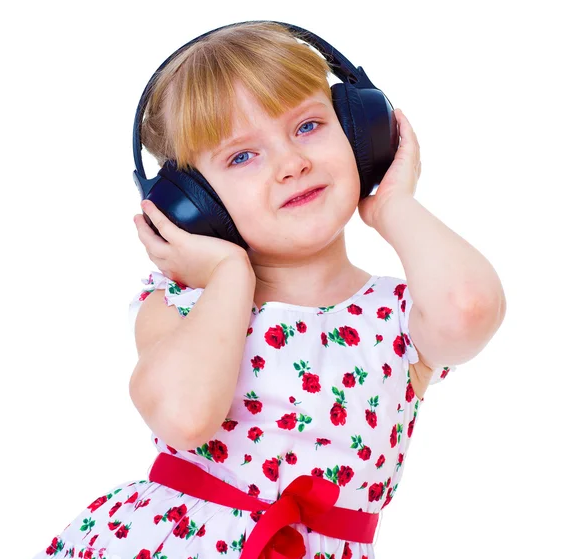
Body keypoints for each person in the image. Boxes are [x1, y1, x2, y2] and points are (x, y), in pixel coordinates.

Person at [33, 21, 506, 559]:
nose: (291, 163)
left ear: (360, 133)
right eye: (241, 156)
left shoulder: (399, 320)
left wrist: (394, 204)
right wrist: (229, 275)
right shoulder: (181, 306)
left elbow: (471, 309)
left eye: (308, 126)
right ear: (194, 202)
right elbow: (185, 416)